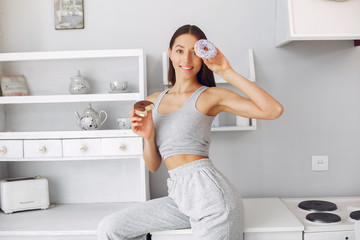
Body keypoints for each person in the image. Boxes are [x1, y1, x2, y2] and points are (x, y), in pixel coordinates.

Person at [97, 24, 283, 240]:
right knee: (109, 227)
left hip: (212, 200)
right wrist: (148, 137)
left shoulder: (210, 96)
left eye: (195, 52)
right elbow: (153, 165)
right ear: (170, 53)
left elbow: (273, 110)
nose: (186, 59)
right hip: (179, 197)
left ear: (203, 57)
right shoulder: (153, 101)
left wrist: (225, 71)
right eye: (180, 50)